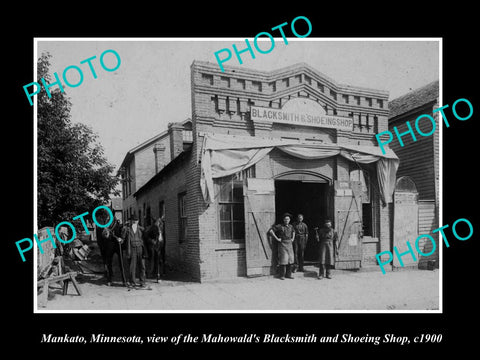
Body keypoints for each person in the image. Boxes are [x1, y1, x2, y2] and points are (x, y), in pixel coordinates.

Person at [121, 214, 147, 288]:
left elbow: (146, 239)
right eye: (133, 220)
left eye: (136, 220)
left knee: (142, 266)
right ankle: (133, 282)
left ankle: (142, 282)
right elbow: (123, 239)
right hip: (131, 249)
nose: (135, 222)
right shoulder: (127, 229)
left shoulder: (142, 229)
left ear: (138, 221)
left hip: (140, 249)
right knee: (132, 266)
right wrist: (120, 240)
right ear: (131, 221)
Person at [269, 213, 295, 280]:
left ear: (289, 220)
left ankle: (289, 274)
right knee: (283, 260)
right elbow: (271, 231)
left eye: (288, 219)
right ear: (283, 220)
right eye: (285, 219)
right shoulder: (279, 226)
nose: (287, 220)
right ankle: (282, 275)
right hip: (282, 244)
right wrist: (277, 238)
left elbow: (294, 232)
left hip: (289, 244)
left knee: (290, 259)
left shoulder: (291, 226)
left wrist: (293, 238)